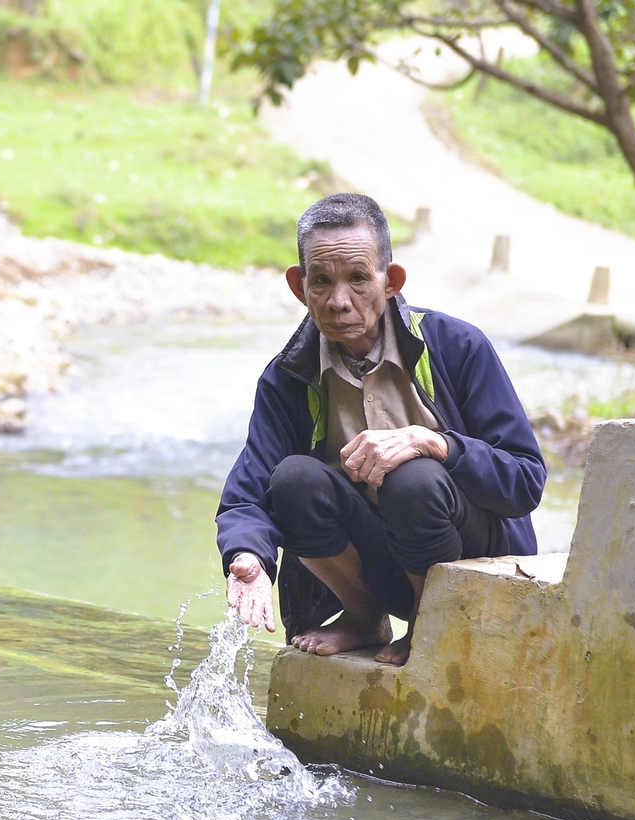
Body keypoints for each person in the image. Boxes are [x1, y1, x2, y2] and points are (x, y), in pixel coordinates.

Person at [216, 193, 545, 665]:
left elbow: (526, 480)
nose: (338, 302)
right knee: (293, 480)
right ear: (298, 285)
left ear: (391, 281)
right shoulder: (288, 376)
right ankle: (364, 615)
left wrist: (434, 443)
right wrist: (247, 556)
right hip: (378, 562)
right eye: (322, 282)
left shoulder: (458, 346)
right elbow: (248, 493)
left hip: (470, 557)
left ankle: (427, 620)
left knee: (414, 478)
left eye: (358, 279)